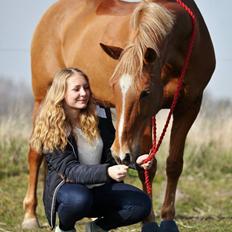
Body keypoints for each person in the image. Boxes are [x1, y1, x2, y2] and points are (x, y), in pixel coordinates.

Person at [30, 67, 153, 232]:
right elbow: (69, 170)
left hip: (100, 188)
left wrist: (135, 162)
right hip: (70, 190)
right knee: (80, 198)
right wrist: (107, 172)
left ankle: (97, 228)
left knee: (142, 204)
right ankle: (65, 228)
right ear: (62, 93)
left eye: (86, 87)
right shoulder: (51, 127)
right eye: (76, 89)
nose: (84, 93)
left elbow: (112, 152)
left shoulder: (100, 115)